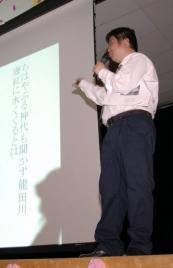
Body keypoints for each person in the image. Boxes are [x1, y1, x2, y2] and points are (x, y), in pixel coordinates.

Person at [73, 27, 159, 256]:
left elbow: (122, 84)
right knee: (110, 189)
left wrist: (101, 72)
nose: (109, 50)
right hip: (114, 130)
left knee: (138, 185)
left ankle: (139, 246)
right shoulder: (116, 76)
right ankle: (108, 244)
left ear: (126, 41)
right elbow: (104, 97)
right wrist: (84, 85)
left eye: (111, 44)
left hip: (135, 124)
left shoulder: (138, 60)